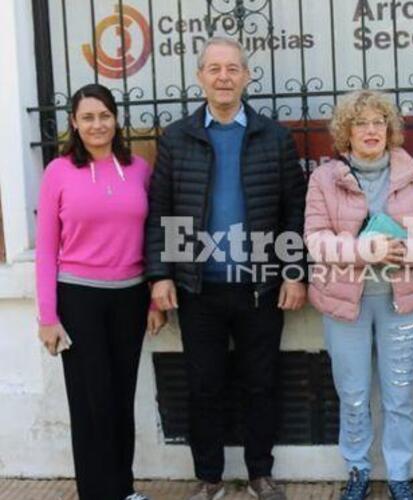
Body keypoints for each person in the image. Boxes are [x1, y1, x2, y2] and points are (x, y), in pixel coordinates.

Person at [145, 36, 307, 500]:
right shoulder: (178, 137)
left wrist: (294, 272)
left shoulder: (273, 136)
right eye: (214, 69)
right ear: (200, 77)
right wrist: (160, 275)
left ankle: (260, 473)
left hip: (260, 288)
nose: (223, 77)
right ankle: (210, 478)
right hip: (198, 288)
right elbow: (160, 210)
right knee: (204, 387)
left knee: (261, 384)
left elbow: (292, 210)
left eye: (232, 68)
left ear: (246, 76)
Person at [304, 89, 413, 500]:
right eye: (360, 122)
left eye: (378, 122)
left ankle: (399, 474)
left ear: (390, 129)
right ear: (346, 131)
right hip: (345, 303)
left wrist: (405, 252)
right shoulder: (324, 178)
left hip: (400, 300)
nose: (370, 130)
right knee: (353, 394)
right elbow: (315, 239)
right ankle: (358, 470)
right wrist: (367, 251)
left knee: (399, 394)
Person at [35, 83, 165, 500]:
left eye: (104, 115)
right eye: (87, 117)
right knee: (91, 402)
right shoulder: (58, 171)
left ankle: (123, 489)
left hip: (128, 298)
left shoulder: (139, 170)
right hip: (78, 299)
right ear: (74, 122)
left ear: (116, 119)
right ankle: (96, 493)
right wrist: (47, 317)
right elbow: (45, 249)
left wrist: (152, 298)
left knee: (120, 396)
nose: (97, 125)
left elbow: (153, 236)